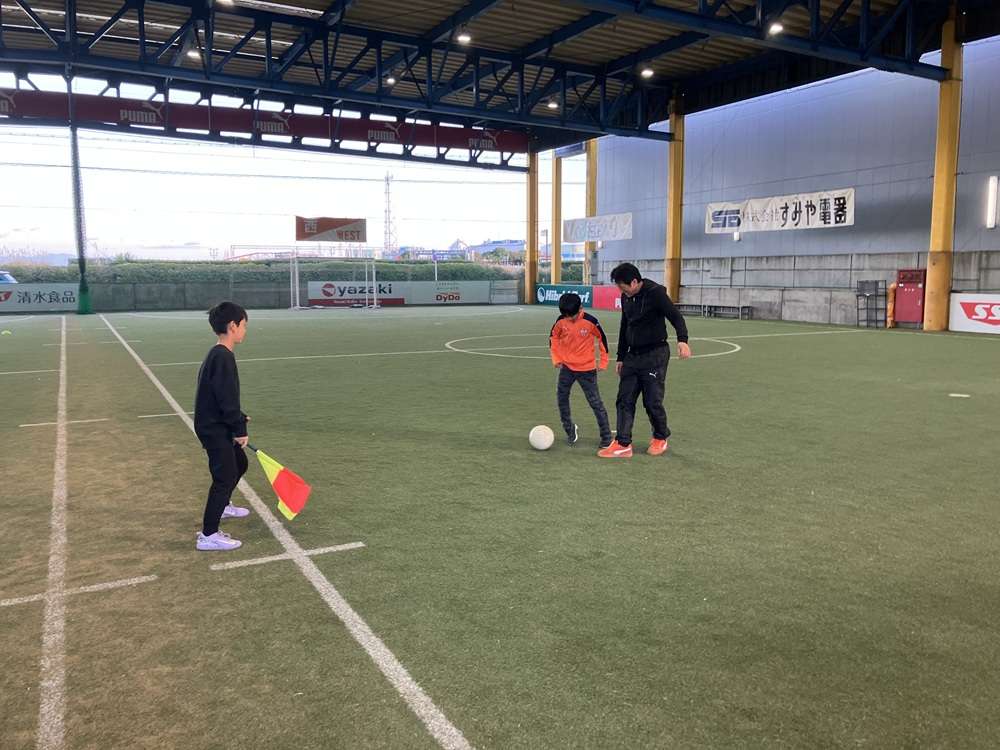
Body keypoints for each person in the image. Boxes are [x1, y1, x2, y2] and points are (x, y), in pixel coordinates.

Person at [598, 263, 691, 458]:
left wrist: (682, 340)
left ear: (634, 282)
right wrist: (621, 357)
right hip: (632, 356)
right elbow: (625, 326)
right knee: (624, 399)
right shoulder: (626, 297)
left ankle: (660, 437)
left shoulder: (656, 293)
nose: (622, 292)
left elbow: (676, 317)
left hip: (655, 354)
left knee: (651, 401)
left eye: (623, 287)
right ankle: (623, 443)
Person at [194, 301, 252, 551]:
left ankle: (224, 505)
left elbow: (221, 396)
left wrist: (239, 417)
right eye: (243, 325)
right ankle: (208, 535)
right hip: (214, 428)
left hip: (218, 423)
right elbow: (226, 398)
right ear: (232, 325)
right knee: (224, 477)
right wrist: (239, 430)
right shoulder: (222, 356)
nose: (245, 330)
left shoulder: (219, 354)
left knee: (240, 463)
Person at [549, 292, 613, 449]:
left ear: (581, 308)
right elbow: (553, 338)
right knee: (561, 399)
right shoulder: (560, 321)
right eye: (566, 316)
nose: (570, 319)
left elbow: (602, 339)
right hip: (566, 368)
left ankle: (606, 436)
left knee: (595, 402)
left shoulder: (591, 321)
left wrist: (603, 362)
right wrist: (557, 358)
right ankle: (570, 429)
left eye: (573, 315)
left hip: (587, 370)